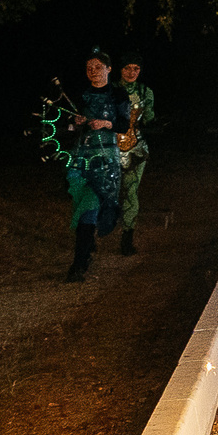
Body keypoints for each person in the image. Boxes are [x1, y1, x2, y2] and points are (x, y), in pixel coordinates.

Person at [62, 47, 127, 282]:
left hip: (106, 159)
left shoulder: (118, 95)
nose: (93, 72)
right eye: (89, 68)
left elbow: (124, 124)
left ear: (109, 69)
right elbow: (73, 122)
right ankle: (85, 253)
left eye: (98, 67)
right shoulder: (82, 95)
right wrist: (77, 121)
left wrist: (107, 123)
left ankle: (79, 263)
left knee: (91, 204)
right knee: (83, 206)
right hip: (81, 156)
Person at [116, 53, 155, 255]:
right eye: (127, 68)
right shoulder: (111, 89)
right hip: (109, 147)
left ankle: (127, 237)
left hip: (136, 147)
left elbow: (149, 117)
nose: (131, 72)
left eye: (136, 69)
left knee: (131, 192)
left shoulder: (145, 91)